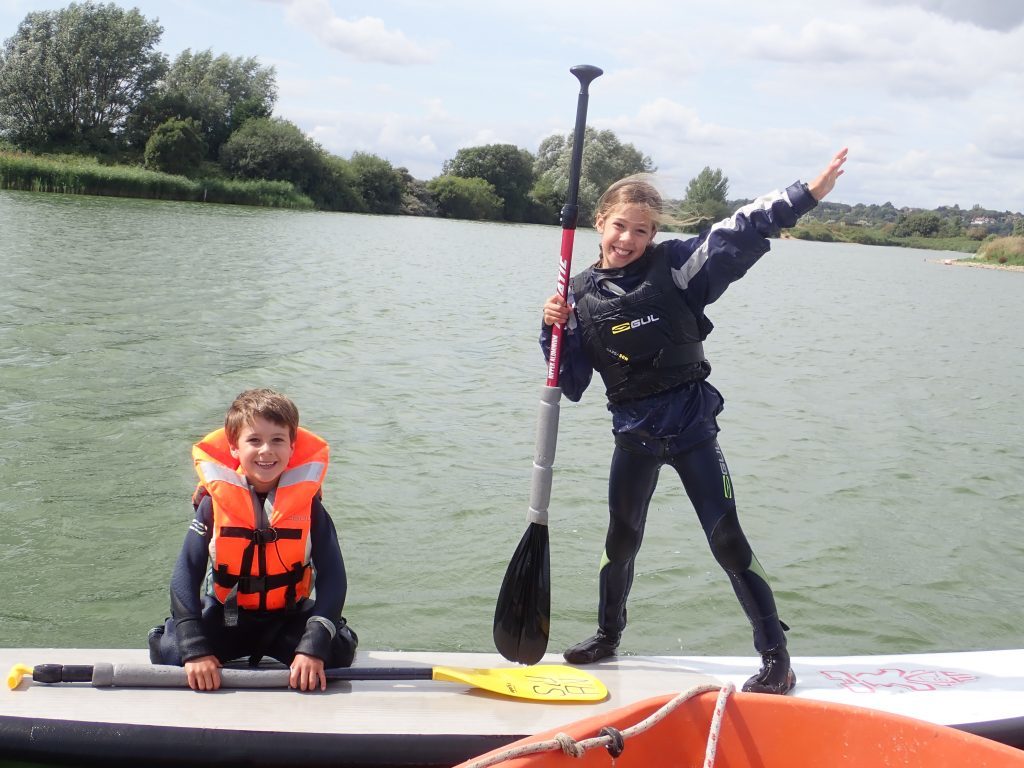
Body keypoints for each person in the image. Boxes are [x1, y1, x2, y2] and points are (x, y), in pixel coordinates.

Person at [541, 149, 848, 695]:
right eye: (620, 227)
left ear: (654, 232)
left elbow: (740, 231)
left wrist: (807, 193)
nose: (628, 239)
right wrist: (552, 331)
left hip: (691, 430)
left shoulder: (679, 268)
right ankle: (608, 634)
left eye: (641, 230)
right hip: (632, 435)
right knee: (621, 540)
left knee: (727, 538)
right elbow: (571, 383)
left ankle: (776, 656)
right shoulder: (578, 295)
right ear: (599, 222)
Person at [148, 388, 357, 692]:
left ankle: (321, 639)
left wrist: (313, 645)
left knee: (336, 654)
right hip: (228, 618)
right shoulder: (213, 504)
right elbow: (186, 571)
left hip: (287, 619)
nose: (266, 451)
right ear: (234, 447)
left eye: (277, 440)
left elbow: (334, 577)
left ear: (292, 445)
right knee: (170, 651)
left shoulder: (310, 506)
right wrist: (195, 648)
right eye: (254, 440)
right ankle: (182, 637)